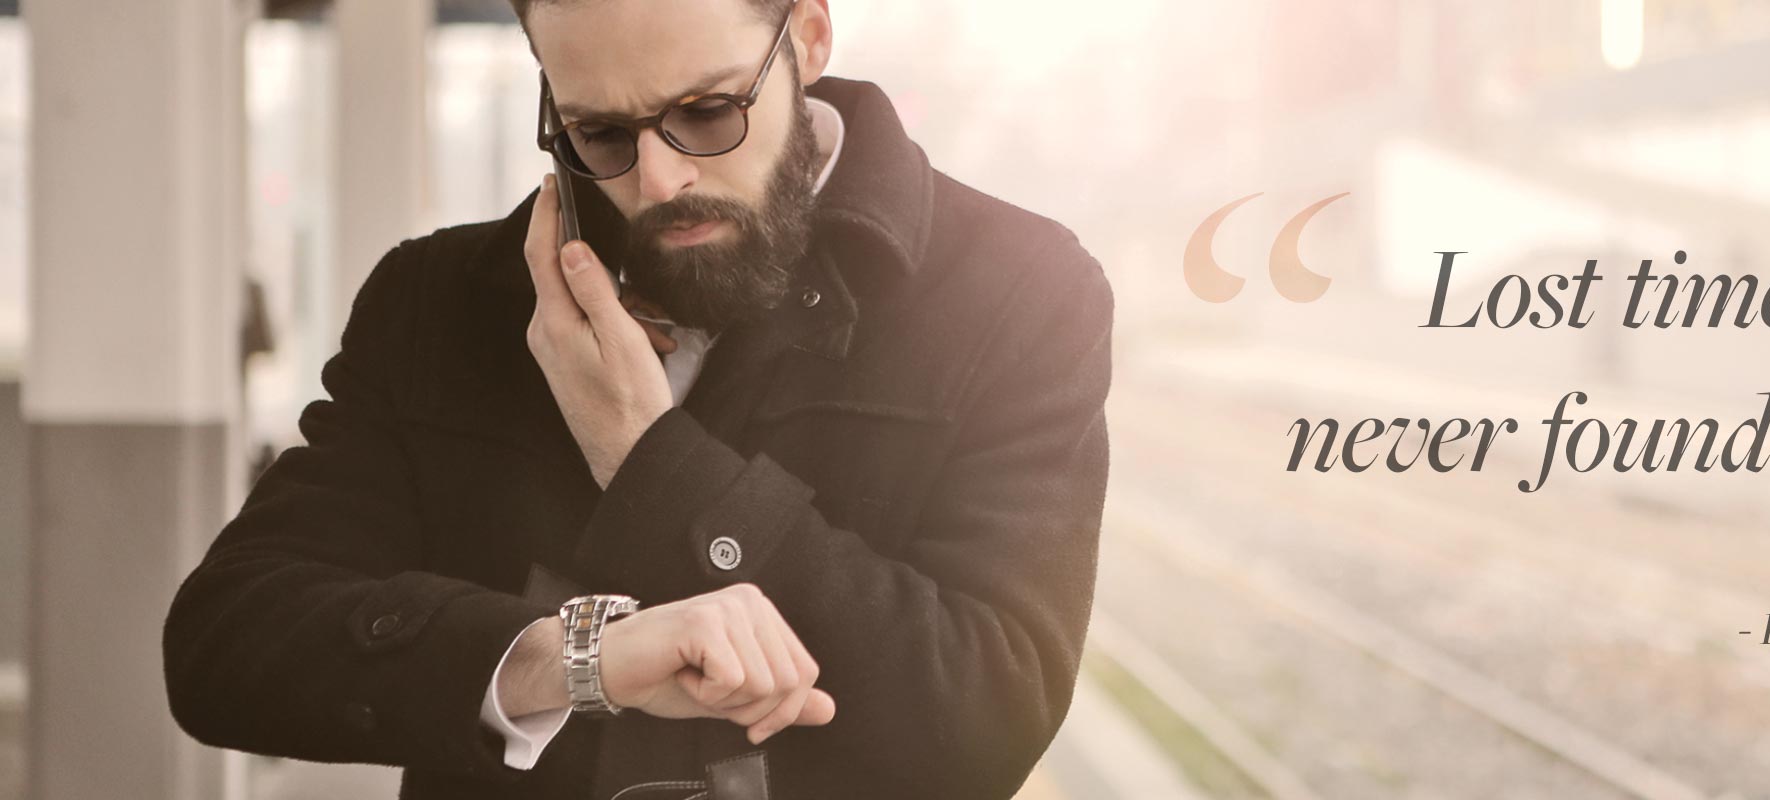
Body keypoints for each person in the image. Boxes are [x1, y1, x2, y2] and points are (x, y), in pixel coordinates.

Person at [162, 0, 1114, 797]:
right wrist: (565, 662)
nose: (659, 180)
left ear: (810, 37)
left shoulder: (1021, 291)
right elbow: (224, 644)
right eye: (600, 133)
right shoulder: (439, 298)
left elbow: (990, 719)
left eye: (705, 113)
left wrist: (646, 452)